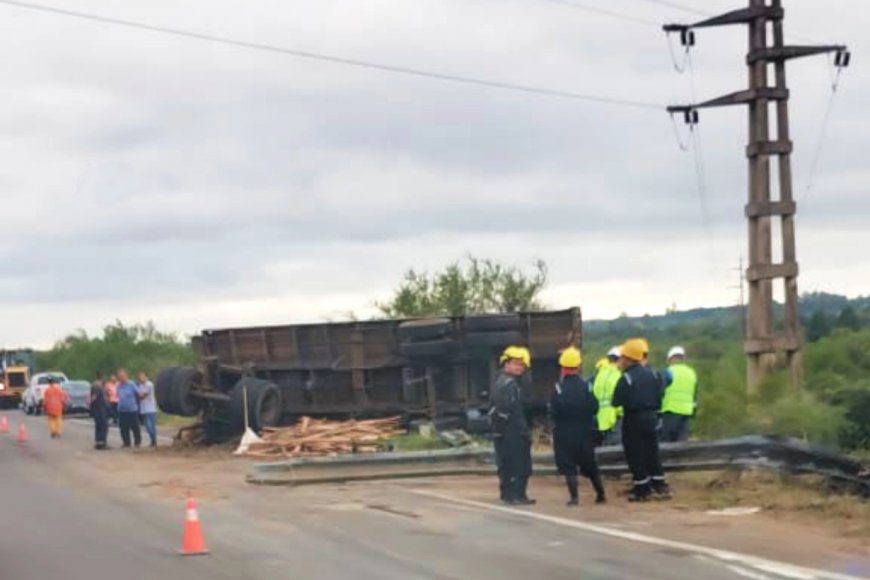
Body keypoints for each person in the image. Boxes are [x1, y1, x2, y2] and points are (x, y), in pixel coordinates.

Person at [612, 338, 670, 502]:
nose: (621, 360)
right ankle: (659, 484)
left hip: (633, 418)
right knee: (652, 451)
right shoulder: (654, 373)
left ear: (628, 358)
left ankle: (642, 488)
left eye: (622, 357)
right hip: (652, 417)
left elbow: (616, 401)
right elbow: (661, 393)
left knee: (635, 453)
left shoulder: (627, 378)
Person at [550, 346, 606, 506]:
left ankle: (574, 498)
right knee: (590, 464)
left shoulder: (558, 388)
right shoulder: (587, 386)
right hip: (585, 431)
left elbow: (554, 412)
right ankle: (601, 494)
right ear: (578, 366)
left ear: (562, 367)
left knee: (568, 466)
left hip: (565, 432)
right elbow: (595, 407)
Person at [491, 345, 534, 505]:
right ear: (506, 363)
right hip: (511, 432)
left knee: (513, 464)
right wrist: (519, 431)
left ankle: (513, 494)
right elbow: (507, 411)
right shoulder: (507, 384)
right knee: (516, 464)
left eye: (522, 365)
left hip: (510, 431)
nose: (519, 367)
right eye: (516, 363)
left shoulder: (506, 382)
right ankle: (513, 495)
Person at [660, 346, 699, 443]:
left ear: (671, 358)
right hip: (686, 412)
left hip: (670, 411)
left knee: (666, 443)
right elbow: (695, 394)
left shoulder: (668, 372)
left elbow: (659, 391)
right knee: (681, 443)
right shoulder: (692, 373)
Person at [590, 347, 623, 446]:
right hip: (615, 418)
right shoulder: (618, 375)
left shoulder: (600, 375)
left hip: (600, 417)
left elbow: (594, 394)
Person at [115, 369, 142, 448]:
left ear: (126, 376)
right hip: (122, 409)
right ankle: (126, 442)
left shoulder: (131, 384)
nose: (121, 378)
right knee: (123, 427)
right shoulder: (119, 386)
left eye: (122, 376)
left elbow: (138, 394)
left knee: (135, 426)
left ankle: (137, 442)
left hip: (132, 409)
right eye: (119, 377)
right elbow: (118, 396)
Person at [137, 371, 158, 447]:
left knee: (150, 425)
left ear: (146, 377)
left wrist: (139, 394)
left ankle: (154, 440)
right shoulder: (140, 386)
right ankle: (152, 440)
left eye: (142, 376)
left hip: (150, 408)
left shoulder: (149, 384)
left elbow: (142, 396)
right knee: (146, 426)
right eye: (139, 377)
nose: (140, 378)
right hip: (143, 408)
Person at [90, 371, 110, 450]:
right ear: (102, 377)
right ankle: (102, 443)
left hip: (100, 408)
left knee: (99, 425)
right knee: (103, 425)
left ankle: (99, 442)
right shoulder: (97, 386)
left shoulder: (98, 385)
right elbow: (94, 398)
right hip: (99, 409)